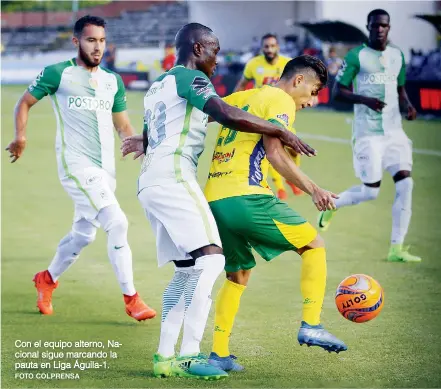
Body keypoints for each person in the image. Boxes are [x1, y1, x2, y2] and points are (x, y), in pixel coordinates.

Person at [121, 23, 316, 380]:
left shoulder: (158, 84)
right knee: (212, 262)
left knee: (186, 270)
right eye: (213, 50)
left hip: (149, 181)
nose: (217, 59)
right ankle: (191, 355)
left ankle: (165, 357)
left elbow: (160, 129)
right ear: (197, 48)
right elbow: (225, 113)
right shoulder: (192, 78)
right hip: (174, 178)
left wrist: (142, 141)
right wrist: (280, 129)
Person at [6, 15, 156, 320]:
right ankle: (132, 298)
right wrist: (20, 137)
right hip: (76, 165)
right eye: (91, 40)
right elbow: (24, 102)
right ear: (76, 42)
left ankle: (46, 279)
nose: (97, 46)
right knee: (118, 223)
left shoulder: (112, 81)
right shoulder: (58, 73)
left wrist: (134, 140)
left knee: (84, 235)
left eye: (101, 40)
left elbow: (123, 124)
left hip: (106, 171)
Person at [203, 56, 347, 372]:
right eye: (313, 91)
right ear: (298, 81)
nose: (312, 101)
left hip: (214, 199)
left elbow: (207, 113)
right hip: (247, 196)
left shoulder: (246, 96)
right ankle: (311, 323)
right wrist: (315, 190)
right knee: (314, 245)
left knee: (238, 275)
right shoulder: (281, 100)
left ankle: (219, 354)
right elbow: (275, 154)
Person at [318, 9, 420, 263]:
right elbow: (337, 92)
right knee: (370, 192)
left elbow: (400, 87)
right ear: (369, 27)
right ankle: (334, 204)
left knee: (406, 184)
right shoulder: (356, 56)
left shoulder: (397, 55)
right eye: (375, 26)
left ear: (389, 27)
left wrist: (407, 104)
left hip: (395, 132)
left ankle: (396, 248)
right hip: (368, 134)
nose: (380, 30)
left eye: (384, 26)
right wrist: (365, 99)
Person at [235, 34, 303, 199]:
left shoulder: (288, 63)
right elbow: (242, 84)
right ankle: (279, 187)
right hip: (262, 114)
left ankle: (292, 179)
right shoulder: (253, 64)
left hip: (283, 112)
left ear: (278, 47)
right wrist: (236, 103)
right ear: (262, 48)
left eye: (272, 46)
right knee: (272, 148)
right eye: (266, 46)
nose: (270, 49)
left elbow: (300, 84)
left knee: (295, 149)